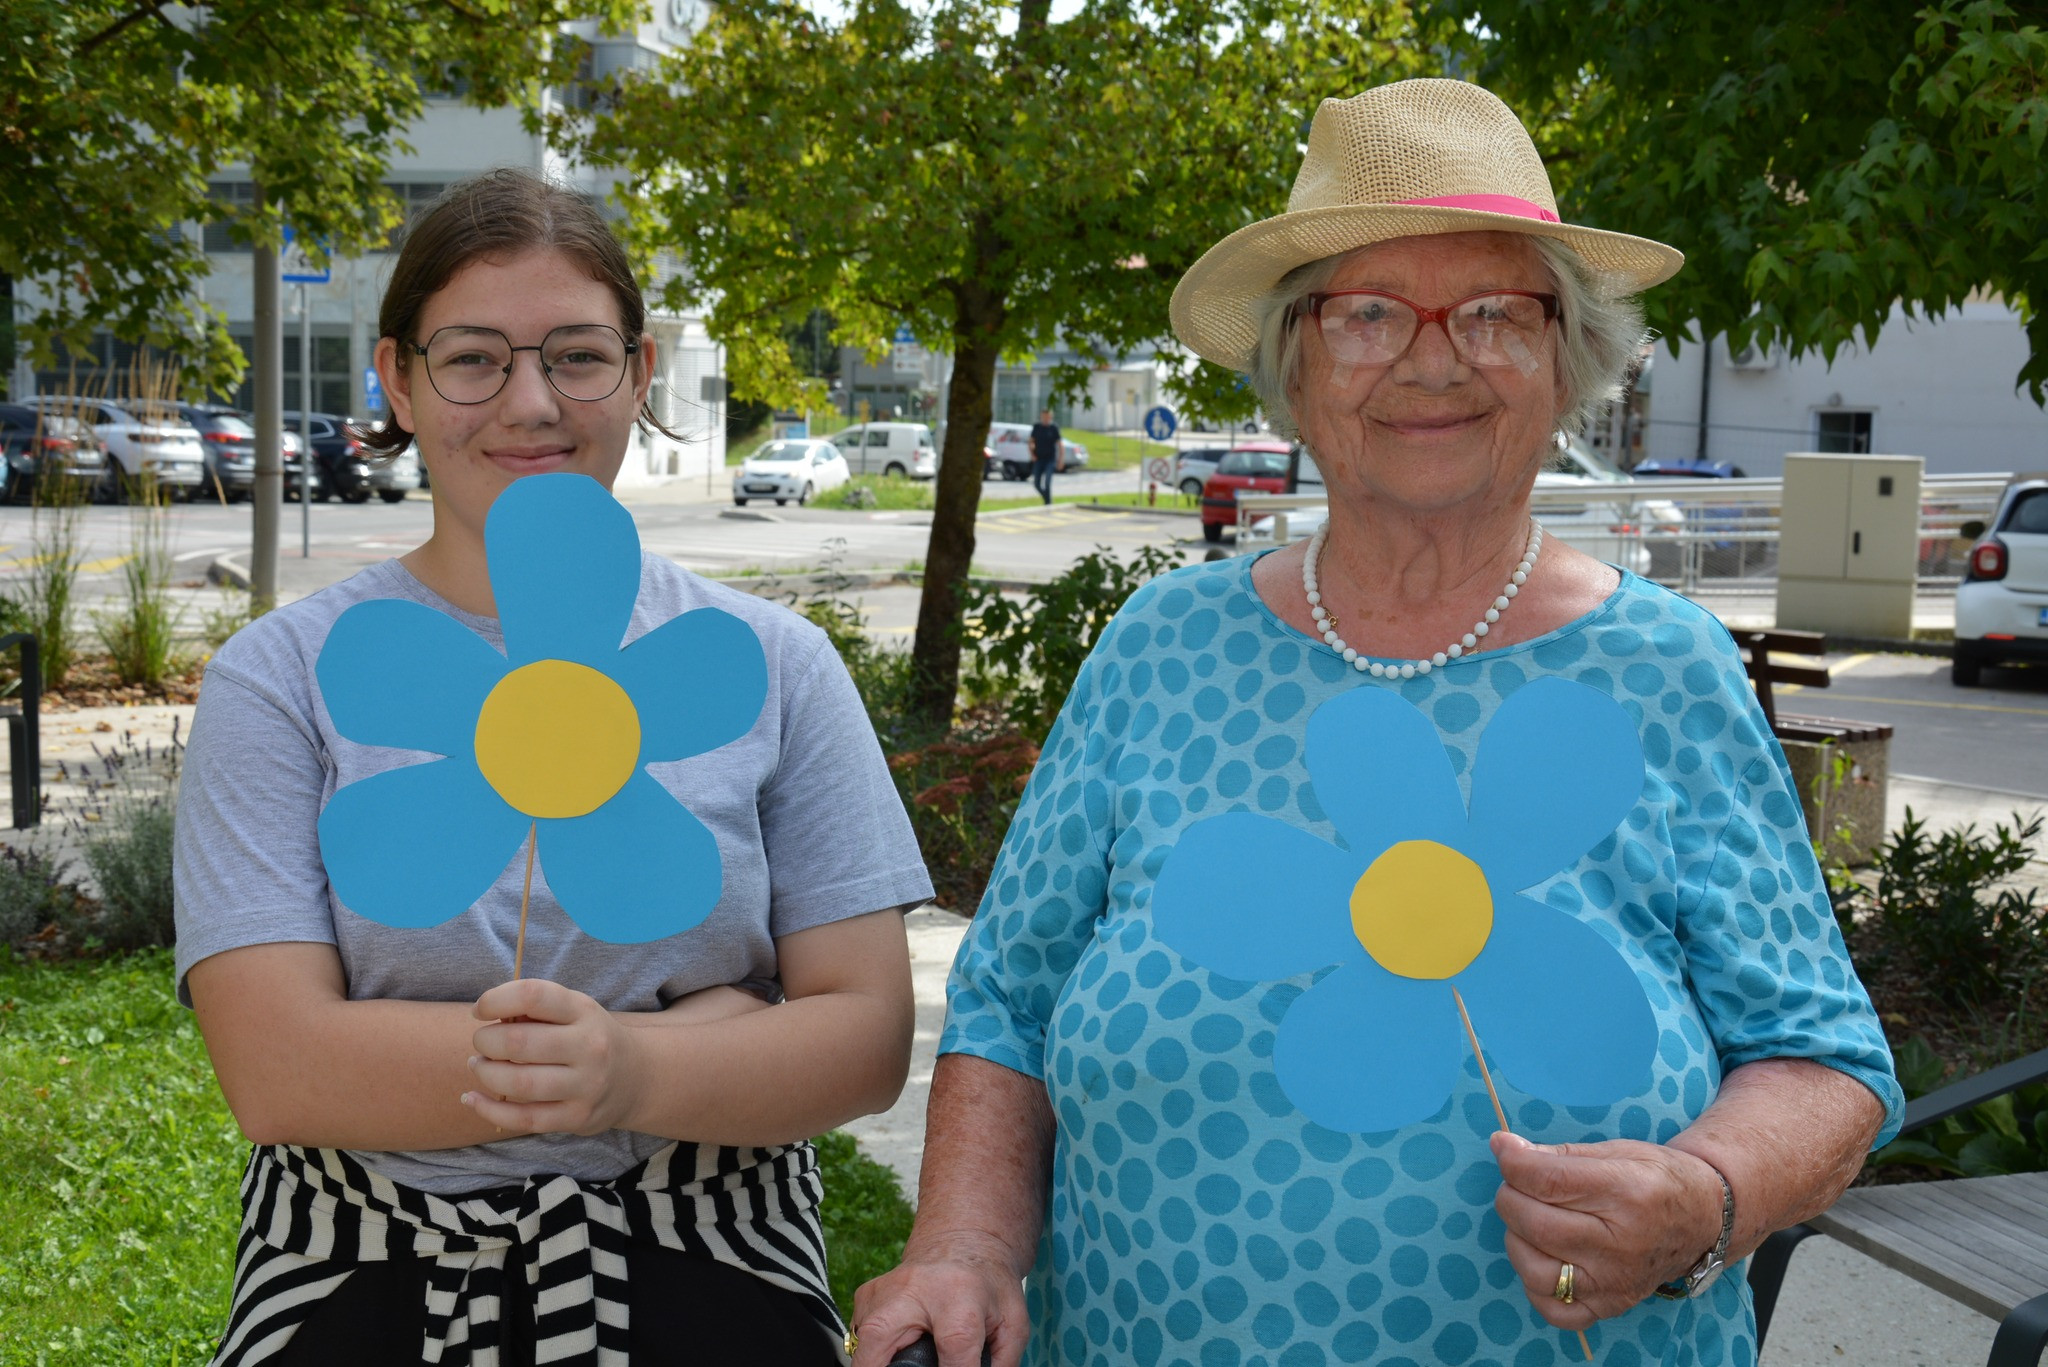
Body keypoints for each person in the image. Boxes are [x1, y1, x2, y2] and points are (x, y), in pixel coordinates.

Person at [851, 79, 1901, 1367]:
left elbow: (1821, 1055)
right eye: (1364, 315)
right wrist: (960, 1247)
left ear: (1564, 360)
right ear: (1291, 366)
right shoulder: (1158, 648)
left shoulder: (1660, 668)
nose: (1429, 357)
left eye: (1491, 314)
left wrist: (1707, 1199)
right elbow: (1008, 1003)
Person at [174, 169, 931, 1366]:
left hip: (711, 1275)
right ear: (398, 379)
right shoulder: (281, 677)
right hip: (361, 1283)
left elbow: (864, 1037)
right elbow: (278, 1069)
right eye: (473, 357)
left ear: (637, 373)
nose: (530, 402)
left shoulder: (765, 666)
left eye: (576, 356)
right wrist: (709, 1043)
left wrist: (627, 1064)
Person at [1027, 408, 1062, 505]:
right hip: (1038, 459)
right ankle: (1047, 499)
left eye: (1047, 416)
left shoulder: (1053, 428)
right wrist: (1032, 454)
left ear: (1050, 417)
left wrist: (1060, 460)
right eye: (1043, 416)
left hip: (1050, 459)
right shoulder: (1037, 427)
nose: (1045, 418)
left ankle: (1048, 502)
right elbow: (1030, 442)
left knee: (1047, 482)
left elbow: (1060, 445)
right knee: (1036, 484)